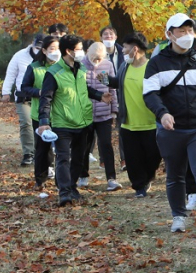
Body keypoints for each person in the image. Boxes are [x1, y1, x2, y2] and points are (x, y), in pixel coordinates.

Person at [144, 13, 196, 234]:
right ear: (169, 34)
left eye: (189, 31)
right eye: (181, 31)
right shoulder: (156, 63)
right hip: (171, 129)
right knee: (175, 174)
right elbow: (150, 94)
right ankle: (178, 216)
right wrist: (162, 114)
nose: (187, 35)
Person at [37, 35, 111, 206]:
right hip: (63, 123)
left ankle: (71, 186)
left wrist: (100, 96)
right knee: (63, 158)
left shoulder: (82, 69)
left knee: (79, 158)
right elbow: (46, 99)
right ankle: (64, 193)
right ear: (68, 51)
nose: (82, 52)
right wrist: (43, 121)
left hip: (84, 121)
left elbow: (84, 89)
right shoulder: (53, 73)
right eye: (79, 49)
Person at [115, 32, 161, 198]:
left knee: (153, 156)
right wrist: (105, 81)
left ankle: (148, 177)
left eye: (125, 48)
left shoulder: (152, 67)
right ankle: (139, 186)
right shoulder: (124, 66)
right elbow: (118, 82)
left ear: (135, 49)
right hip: (128, 122)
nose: (123, 51)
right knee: (133, 158)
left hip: (151, 121)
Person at [18, 36, 60, 197]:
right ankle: (40, 179)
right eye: (52, 49)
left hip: (61, 114)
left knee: (61, 148)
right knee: (43, 148)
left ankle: (61, 181)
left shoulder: (63, 66)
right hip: (40, 114)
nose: (55, 52)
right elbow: (24, 88)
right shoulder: (34, 67)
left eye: (57, 49)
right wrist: (40, 92)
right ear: (44, 50)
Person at [79, 42, 122, 191]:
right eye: (94, 58)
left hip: (104, 113)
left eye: (100, 58)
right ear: (88, 53)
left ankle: (111, 178)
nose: (97, 61)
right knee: (84, 145)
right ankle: (83, 175)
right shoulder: (80, 65)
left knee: (106, 145)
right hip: (85, 113)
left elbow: (112, 88)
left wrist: (114, 109)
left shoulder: (108, 65)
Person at [1, 34, 42, 166]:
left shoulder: (50, 56)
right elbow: (11, 74)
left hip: (42, 97)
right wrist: (5, 92)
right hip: (23, 97)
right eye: (37, 46)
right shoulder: (20, 55)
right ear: (32, 43)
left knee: (43, 124)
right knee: (26, 123)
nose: (38, 49)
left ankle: (41, 152)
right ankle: (28, 153)